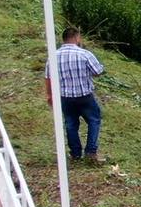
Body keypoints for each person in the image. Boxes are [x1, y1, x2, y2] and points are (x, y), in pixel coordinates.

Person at [45, 26, 106, 164]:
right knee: (94, 120)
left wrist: (49, 95)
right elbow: (97, 71)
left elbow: (48, 77)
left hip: (65, 97)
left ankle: (75, 153)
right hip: (84, 95)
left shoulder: (53, 56)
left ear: (64, 39)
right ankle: (91, 152)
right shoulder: (85, 54)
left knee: (71, 124)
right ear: (77, 38)